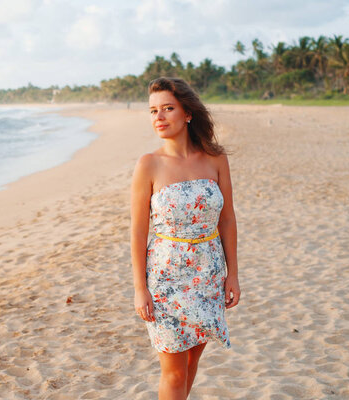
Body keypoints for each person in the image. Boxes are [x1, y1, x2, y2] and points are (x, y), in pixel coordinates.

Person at [130, 77, 241, 400]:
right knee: (174, 371)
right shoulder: (148, 164)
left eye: (167, 108)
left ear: (188, 113)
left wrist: (232, 274)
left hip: (208, 273)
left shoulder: (215, 158)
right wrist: (140, 288)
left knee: (192, 362)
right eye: (153, 111)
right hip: (166, 276)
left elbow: (228, 218)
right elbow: (138, 230)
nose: (159, 118)